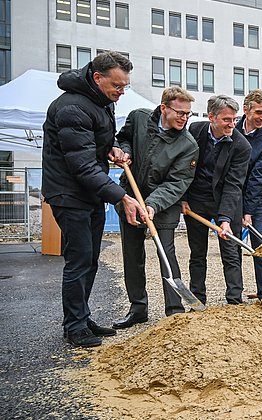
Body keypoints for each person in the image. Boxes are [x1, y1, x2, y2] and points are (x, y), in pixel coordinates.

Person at [42, 51, 146, 347]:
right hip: (69, 193)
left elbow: (96, 143)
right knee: (79, 260)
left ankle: (82, 316)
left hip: (88, 193)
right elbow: (82, 165)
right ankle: (74, 326)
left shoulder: (101, 102)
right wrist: (121, 197)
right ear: (97, 78)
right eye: (117, 86)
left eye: (125, 86)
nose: (121, 92)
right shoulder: (72, 107)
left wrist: (111, 148)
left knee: (90, 259)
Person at [112, 86, 199, 329]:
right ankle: (138, 308)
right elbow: (123, 138)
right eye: (180, 113)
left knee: (166, 253)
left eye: (188, 114)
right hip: (130, 196)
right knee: (132, 254)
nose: (184, 118)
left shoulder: (188, 144)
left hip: (164, 204)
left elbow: (177, 182)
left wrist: (152, 205)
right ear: (164, 108)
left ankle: (174, 309)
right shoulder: (139, 118)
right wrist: (125, 152)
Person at [182, 95, 251, 305]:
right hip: (196, 199)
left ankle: (234, 300)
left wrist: (226, 219)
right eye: (226, 120)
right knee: (197, 252)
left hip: (225, 200)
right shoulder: (195, 131)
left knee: (231, 252)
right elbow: (183, 168)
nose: (232, 124)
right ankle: (197, 300)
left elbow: (234, 185)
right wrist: (183, 198)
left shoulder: (242, 146)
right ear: (212, 117)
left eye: (234, 119)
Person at [235, 89, 262, 302]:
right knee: (232, 247)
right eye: (259, 112)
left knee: (261, 245)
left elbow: (259, 178)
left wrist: (248, 210)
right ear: (246, 110)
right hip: (231, 197)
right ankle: (234, 295)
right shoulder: (231, 130)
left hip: (257, 200)